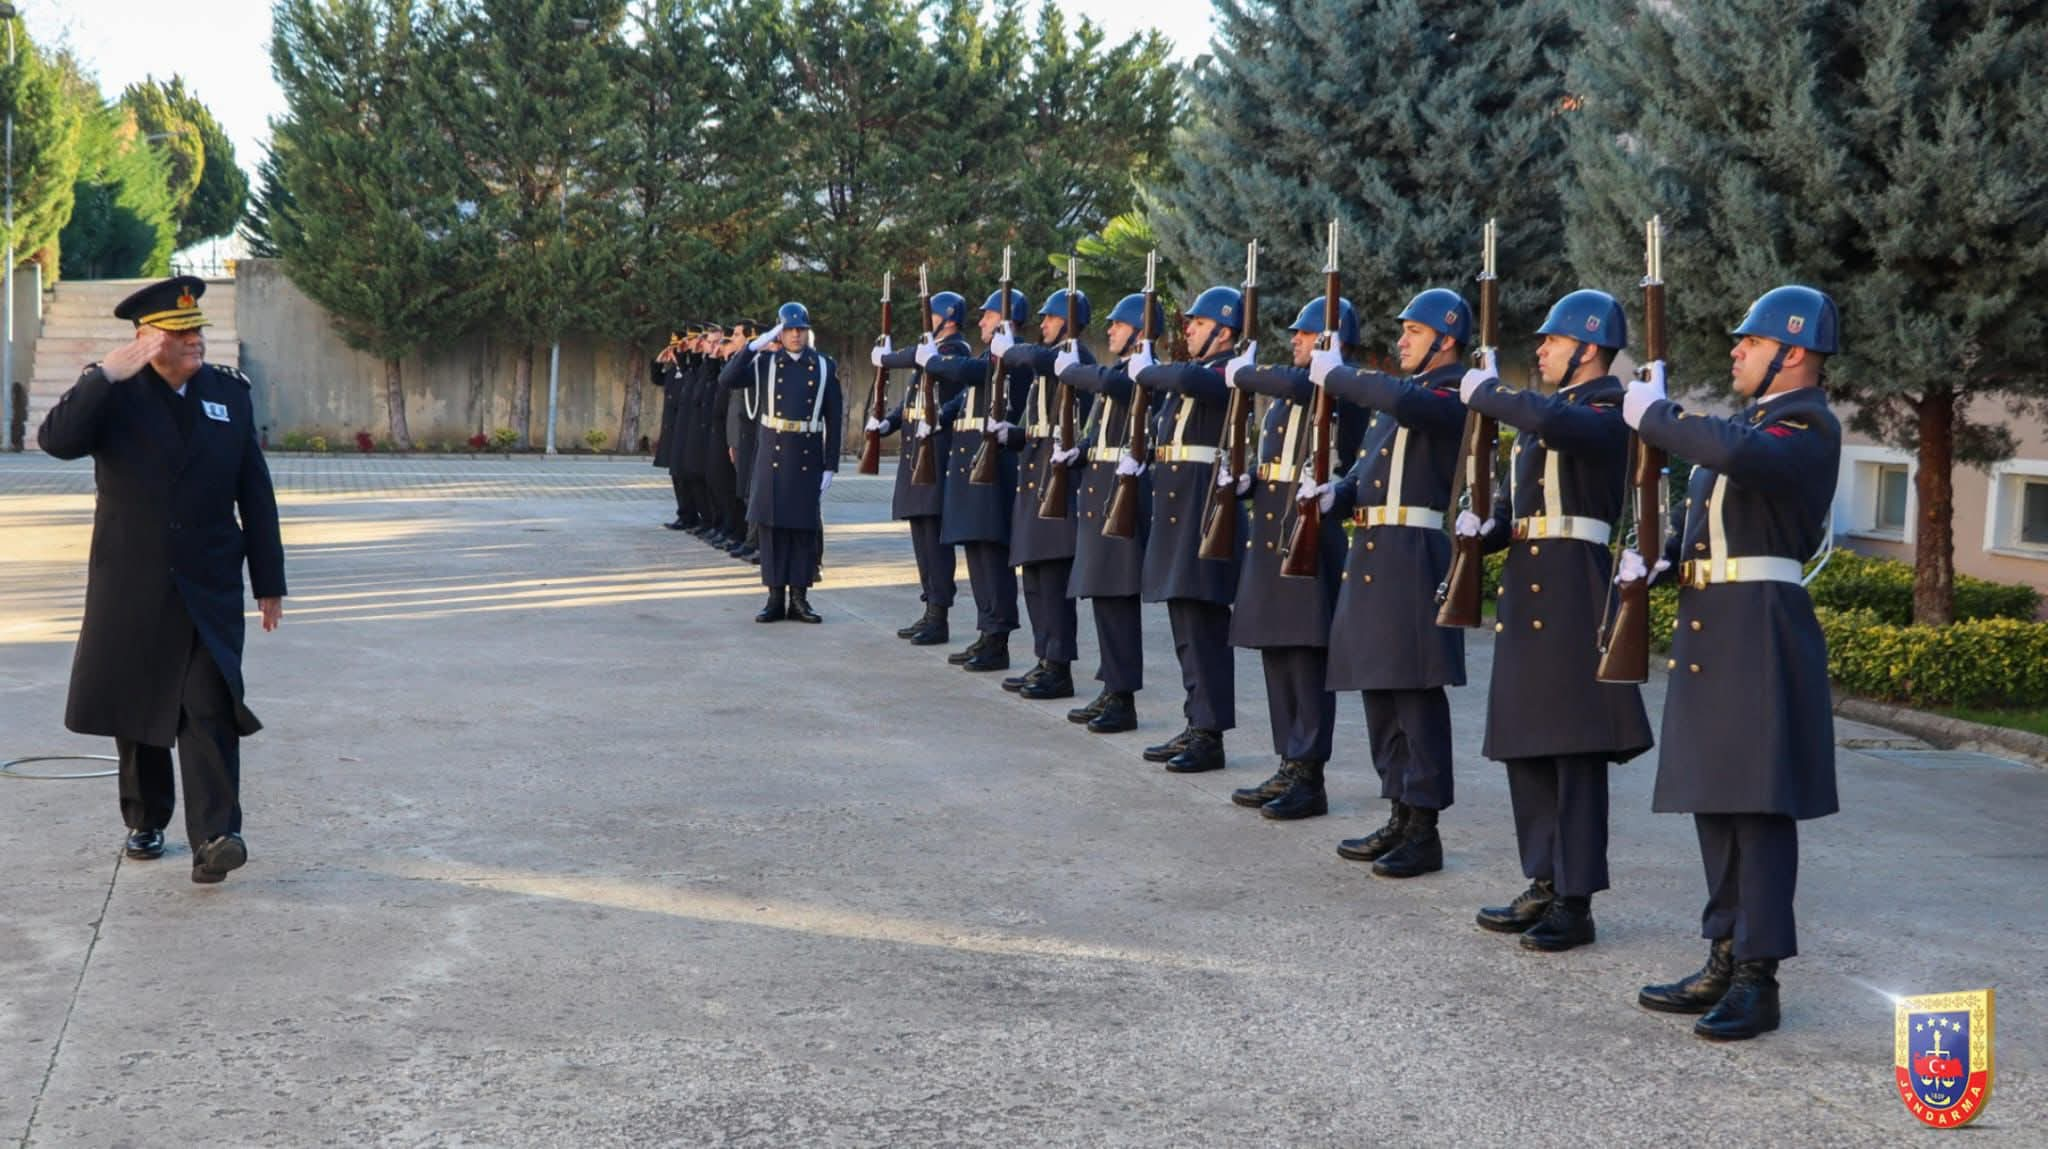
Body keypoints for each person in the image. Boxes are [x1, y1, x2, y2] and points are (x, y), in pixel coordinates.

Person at [1624, 285, 1842, 1041]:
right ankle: (1722, 950)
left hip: (1759, 627)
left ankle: (1759, 975)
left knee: (1758, 804)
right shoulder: (1752, 425)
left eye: (1750, 342)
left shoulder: (1807, 426)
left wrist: (1659, 415)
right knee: (1715, 799)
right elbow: (1714, 512)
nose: (1735, 350)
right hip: (1714, 624)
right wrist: (1657, 562)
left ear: (1795, 353)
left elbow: (1733, 452)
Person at [35, 275, 286, 885]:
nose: (195, 340)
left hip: (209, 579)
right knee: (140, 704)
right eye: (180, 333)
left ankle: (217, 836)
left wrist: (268, 578)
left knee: (208, 703)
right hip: (133, 577)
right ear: (146, 341)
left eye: (196, 329)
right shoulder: (114, 393)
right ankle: (145, 818)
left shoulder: (228, 393)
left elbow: (254, 488)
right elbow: (55, 442)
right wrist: (104, 376)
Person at [1457, 289, 1654, 950]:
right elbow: (1522, 508)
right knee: (1527, 741)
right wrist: (1483, 530)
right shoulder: (1551, 411)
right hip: (1529, 585)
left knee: (1573, 748)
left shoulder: (1608, 407)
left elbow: (1558, 426)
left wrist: (1491, 393)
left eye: (1551, 340)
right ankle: (1542, 877)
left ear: (1588, 348)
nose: (1538, 349)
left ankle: (1576, 896)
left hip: (1575, 583)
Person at [1302, 289, 1470, 878]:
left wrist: (1342, 374)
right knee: (1379, 688)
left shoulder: (1451, 391)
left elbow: (1408, 404)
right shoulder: (1401, 397)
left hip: (1414, 552)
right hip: (1374, 549)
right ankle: (1398, 810)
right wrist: (1337, 494)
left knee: (1415, 693)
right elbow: (1368, 471)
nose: (1400, 341)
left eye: (1413, 332)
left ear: (1445, 339)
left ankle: (1424, 827)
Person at [1219, 295, 1368, 817]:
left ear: (1332, 343)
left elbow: (1300, 383)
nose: (1296, 342)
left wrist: (1245, 370)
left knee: (1304, 656)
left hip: (1310, 536)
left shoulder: (1334, 386)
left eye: (1305, 335)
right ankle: (1288, 761)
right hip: (1271, 531)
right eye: (1297, 335)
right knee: (1276, 653)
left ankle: (1309, 773)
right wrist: (1247, 482)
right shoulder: (1289, 394)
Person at [1127, 286, 1247, 773]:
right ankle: (1197, 720)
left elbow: (1193, 379)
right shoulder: (1192, 378)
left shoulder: (1228, 374)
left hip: (1203, 518)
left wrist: (1148, 368)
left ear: (1224, 330)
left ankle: (1210, 734)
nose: (1189, 331)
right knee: (1185, 630)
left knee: (1204, 630)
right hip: (1178, 517)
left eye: (1197, 324)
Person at [1055, 292, 1162, 734]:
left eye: (1119, 325)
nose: (1110, 331)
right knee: (1102, 596)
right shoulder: (1121, 370)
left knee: (1118, 599)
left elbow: (1116, 387)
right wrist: (1077, 453)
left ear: (1140, 330)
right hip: (1100, 497)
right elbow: (1101, 432)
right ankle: (1110, 688)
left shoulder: (1140, 373)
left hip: (1124, 501)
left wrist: (1073, 370)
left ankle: (1124, 698)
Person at [919, 287, 1033, 672]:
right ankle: (986, 632)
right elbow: (965, 400)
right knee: (978, 558)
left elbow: (967, 372)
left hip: (994, 474)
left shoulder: (1011, 360)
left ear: (1007, 320)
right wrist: (937, 415)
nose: (981, 321)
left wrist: (932, 361)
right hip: (971, 474)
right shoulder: (991, 358)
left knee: (992, 559)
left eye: (988, 315)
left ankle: (997, 639)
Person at [994, 287, 1095, 700]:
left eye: (1051, 319)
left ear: (1069, 322)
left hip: (1060, 487)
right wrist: (1012, 435)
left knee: (1052, 583)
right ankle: (1043, 658)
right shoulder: (1050, 366)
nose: (1044, 326)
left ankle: (1059, 667)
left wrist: (1011, 347)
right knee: (1034, 580)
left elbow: (1041, 359)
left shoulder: (1076, 360)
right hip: (1035, 483)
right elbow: (1039, 429)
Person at [720, 303, 843, 622]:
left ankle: (800, 599)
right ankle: (775, 597)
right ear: (779, 332)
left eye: (800, 329)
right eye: (788, 329)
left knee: (802, 530)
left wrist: (831, 465)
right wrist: (752, 346)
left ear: (808, 331)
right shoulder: (765, 362)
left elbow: (834, 417)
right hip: (772, 455)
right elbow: (727, 379)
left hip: (807, 455)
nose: (795, 335)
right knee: (771, 529)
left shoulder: (825, 365)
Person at [869, 291, 972, 645]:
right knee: (921, 536)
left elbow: (920, 362)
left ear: (949, 317)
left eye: (931, 313)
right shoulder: (931, 351)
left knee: (934, 538)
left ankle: (939, 614)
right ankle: (929, 606)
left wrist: (889, 357)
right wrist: (888, 423)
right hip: (917, 453)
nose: (926, 319)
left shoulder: (954, 350)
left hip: (935, 455)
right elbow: (913, 397)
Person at [721, 320, 763, 563]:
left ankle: (754, 542)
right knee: (747, 492)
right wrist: (732, 440)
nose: (732, 339)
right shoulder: (747, 365)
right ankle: (751, 540)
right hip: (743, 438)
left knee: (755, 493)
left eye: (736, 335)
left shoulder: (762, 365)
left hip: (759, 439)